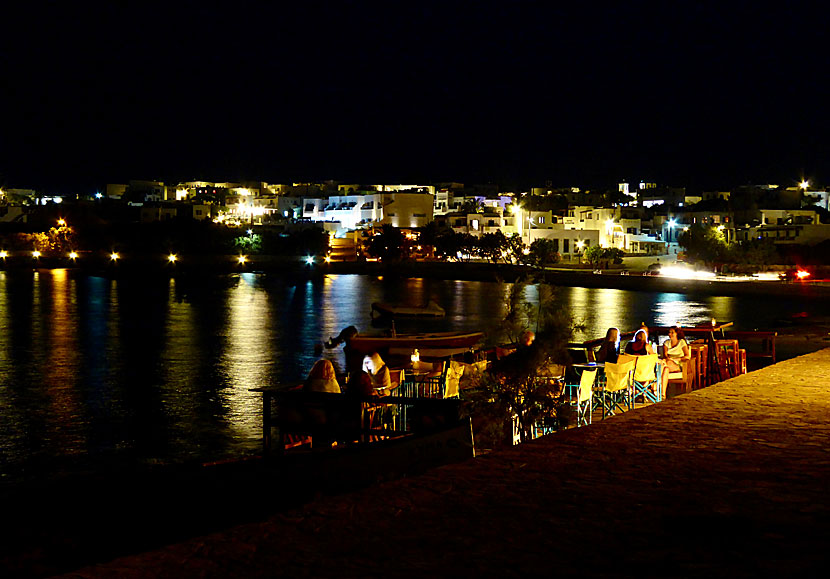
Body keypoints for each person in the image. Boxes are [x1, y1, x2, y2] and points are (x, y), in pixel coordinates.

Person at [661, 326, 690, 396]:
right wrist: (669, 359)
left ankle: (655, 388)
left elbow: (687, 356)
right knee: (666, 369)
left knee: (663, 366)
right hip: (668, 363)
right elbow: (666, 355)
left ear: (677, 334)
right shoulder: (666, 343)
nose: (670, 334)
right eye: (669, 332)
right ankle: (662, 393)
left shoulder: (681, 342)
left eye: (672, 332)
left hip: (678, 364)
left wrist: (677, 359)